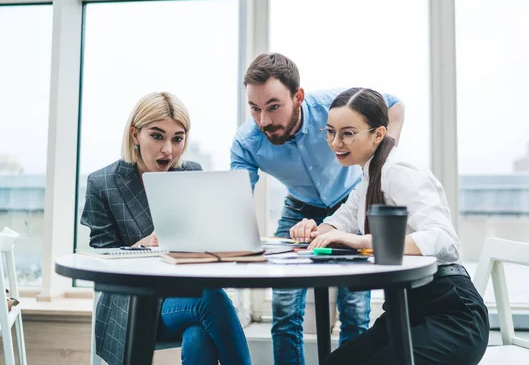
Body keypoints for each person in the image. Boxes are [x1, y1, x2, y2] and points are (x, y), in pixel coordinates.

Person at [290, 87, 489, 365]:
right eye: (331, 132)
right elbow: (338, 223)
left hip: (451, 316)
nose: (336, 142)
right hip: (405, 311)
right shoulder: (369, 176)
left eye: (347, 133)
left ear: (378, 134)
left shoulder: (398, 171)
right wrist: (313, 228)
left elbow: (445, 240)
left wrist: (364, 241)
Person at [230, 53, 406, 365]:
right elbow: (236, 198)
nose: (264, 120)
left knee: (356, 309)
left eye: (273, 106)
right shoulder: (247, 141)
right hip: (298, 210)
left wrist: (380, 161)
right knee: (284, 309)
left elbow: (394, 105)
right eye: (255, 108)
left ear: (298, 97)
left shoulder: (333, 107)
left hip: (351, 205)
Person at [81, 92, 252, 365]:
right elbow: (103, 257)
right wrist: (141, 246)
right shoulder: (103, 183)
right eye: (157, 136)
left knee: (198, 336)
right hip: (132, 304)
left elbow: (203, 247)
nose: (169, 150)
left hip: (182, 299)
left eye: (178, 138)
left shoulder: (190, 173)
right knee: (210, 298)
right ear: (136, 135)